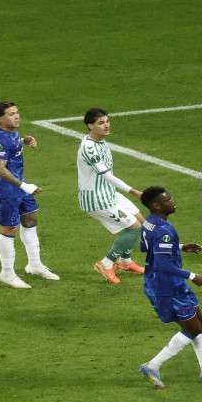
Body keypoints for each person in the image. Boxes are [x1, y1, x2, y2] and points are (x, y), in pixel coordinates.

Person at [137, 186, 202, 387]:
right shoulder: (164, 229)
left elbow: (145, 247)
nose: (172, 202)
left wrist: (180, 247)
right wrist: (192, 276)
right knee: (193, 328)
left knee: (200, 321)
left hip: (170, 283)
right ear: (156, 205)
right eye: (168, 200)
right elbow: (162, 264)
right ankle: (152, 365)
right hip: (165, 287)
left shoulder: (149, 222)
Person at [0, 101, 60, 289]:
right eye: (11, 114)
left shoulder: (11, 132)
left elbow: (12, 146)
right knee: (9, 228)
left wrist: (23, 141)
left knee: (30, 219)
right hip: (4, 189)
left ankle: (35, 265)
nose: (17, 116)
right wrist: (24, 186)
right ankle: (7, 273)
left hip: (19, 185)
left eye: (17, 112)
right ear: (0, 118)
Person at [77, 108, 146, 284]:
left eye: (107, 121)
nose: (106, 125)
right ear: (90, 126)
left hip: (108, 193)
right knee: (134, 227)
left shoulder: (101, 141)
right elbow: (107, 176)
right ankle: (106, 263)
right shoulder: (89, 148)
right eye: (101, 123)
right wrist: (135, 192)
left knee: (140, 221)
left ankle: (125, 262)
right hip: (96, 198)